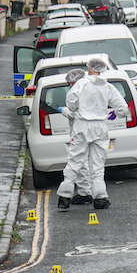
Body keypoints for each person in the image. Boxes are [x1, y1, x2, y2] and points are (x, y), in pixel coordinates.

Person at [56, 58, 129, 211]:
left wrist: (76, 108)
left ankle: (64, 197)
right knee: (98, 163)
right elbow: (123, 107)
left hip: (82, 124)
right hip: (100, 126)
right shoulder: (108, 87)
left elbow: (71, 100)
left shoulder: (81, 84)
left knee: (75, 159)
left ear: (89, 69)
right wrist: (115, 114)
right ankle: (100, 198)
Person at [55, 68, 91, 205]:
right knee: (83, 163)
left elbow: (75, 114)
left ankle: (66, 195)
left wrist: (63, 110)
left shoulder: (76, 92)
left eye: (70, 83)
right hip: (88, 130)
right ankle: (85, 193)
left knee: (75, 161)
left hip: (79, 130)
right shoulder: (90, 89)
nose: (69, 85)